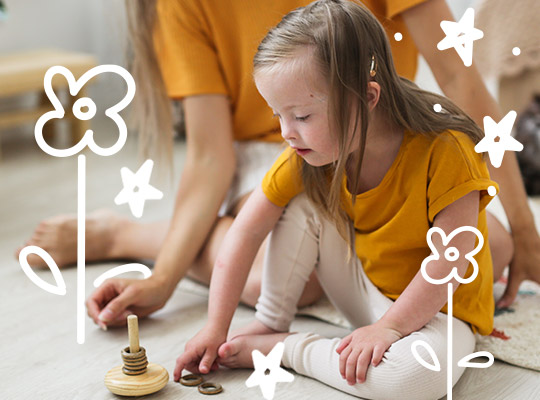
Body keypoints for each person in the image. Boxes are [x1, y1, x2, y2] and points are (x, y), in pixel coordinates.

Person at [17, 0, 538, 328]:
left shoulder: (397, 118)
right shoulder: (181, 6)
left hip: (383, 138)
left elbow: (461, 81)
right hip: (273, 155)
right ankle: (124, 234)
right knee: (281, 280)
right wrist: (164, 280)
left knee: (494, 245)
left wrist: (526, 229)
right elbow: (208, 157)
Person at [173, 1, 514, 398]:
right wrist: (216, 325)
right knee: (301, 205)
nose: (286, 132)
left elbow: (450, 264)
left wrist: (390, 327)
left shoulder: (447, 149)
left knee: (413, 378)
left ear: (368, 97)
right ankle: (270, 323)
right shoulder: (311, 153)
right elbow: (246, 232)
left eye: (301, 116)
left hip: (439, 307)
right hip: (364, 290)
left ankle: (287, 349)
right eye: (278, 115)